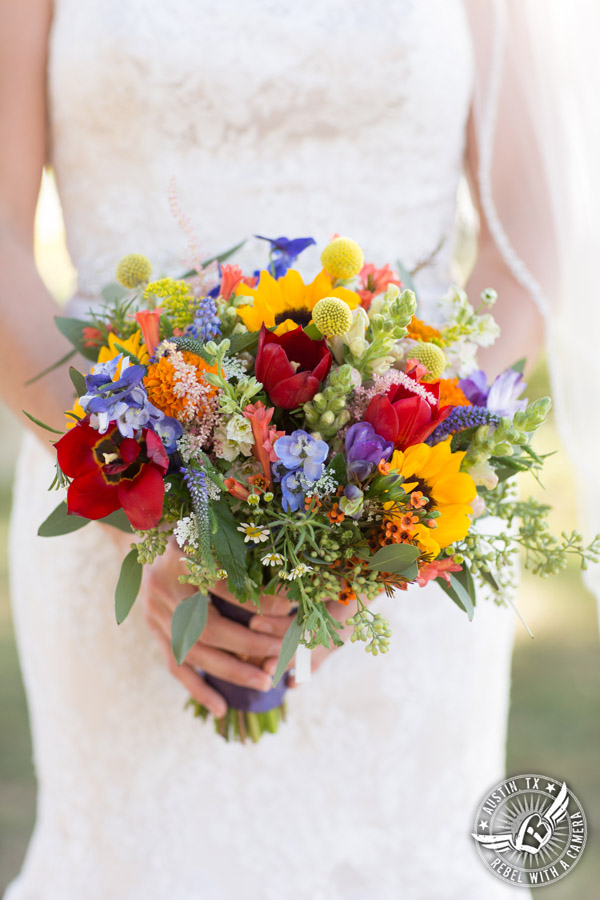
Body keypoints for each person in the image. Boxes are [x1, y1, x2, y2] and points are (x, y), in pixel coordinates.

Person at [1, 1, 579, 898]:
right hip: (113, 493)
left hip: (408, 524)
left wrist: (381, 523)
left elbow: (526, 247)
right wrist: (148, 521)